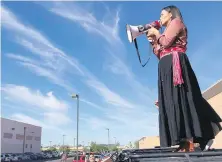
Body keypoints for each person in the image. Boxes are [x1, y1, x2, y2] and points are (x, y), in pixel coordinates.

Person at [146, 5, 222, 152]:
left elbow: (167, 42)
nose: (160, 18)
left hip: (177, 65)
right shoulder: (164, 31)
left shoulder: (177, 22)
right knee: (171, 101)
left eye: (162, 14)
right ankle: (182, 139)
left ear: (171, 14)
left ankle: (190, 139)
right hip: (166, 66)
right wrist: (153, 41)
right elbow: (160, 53)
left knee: (182, 98)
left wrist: (157, 33)